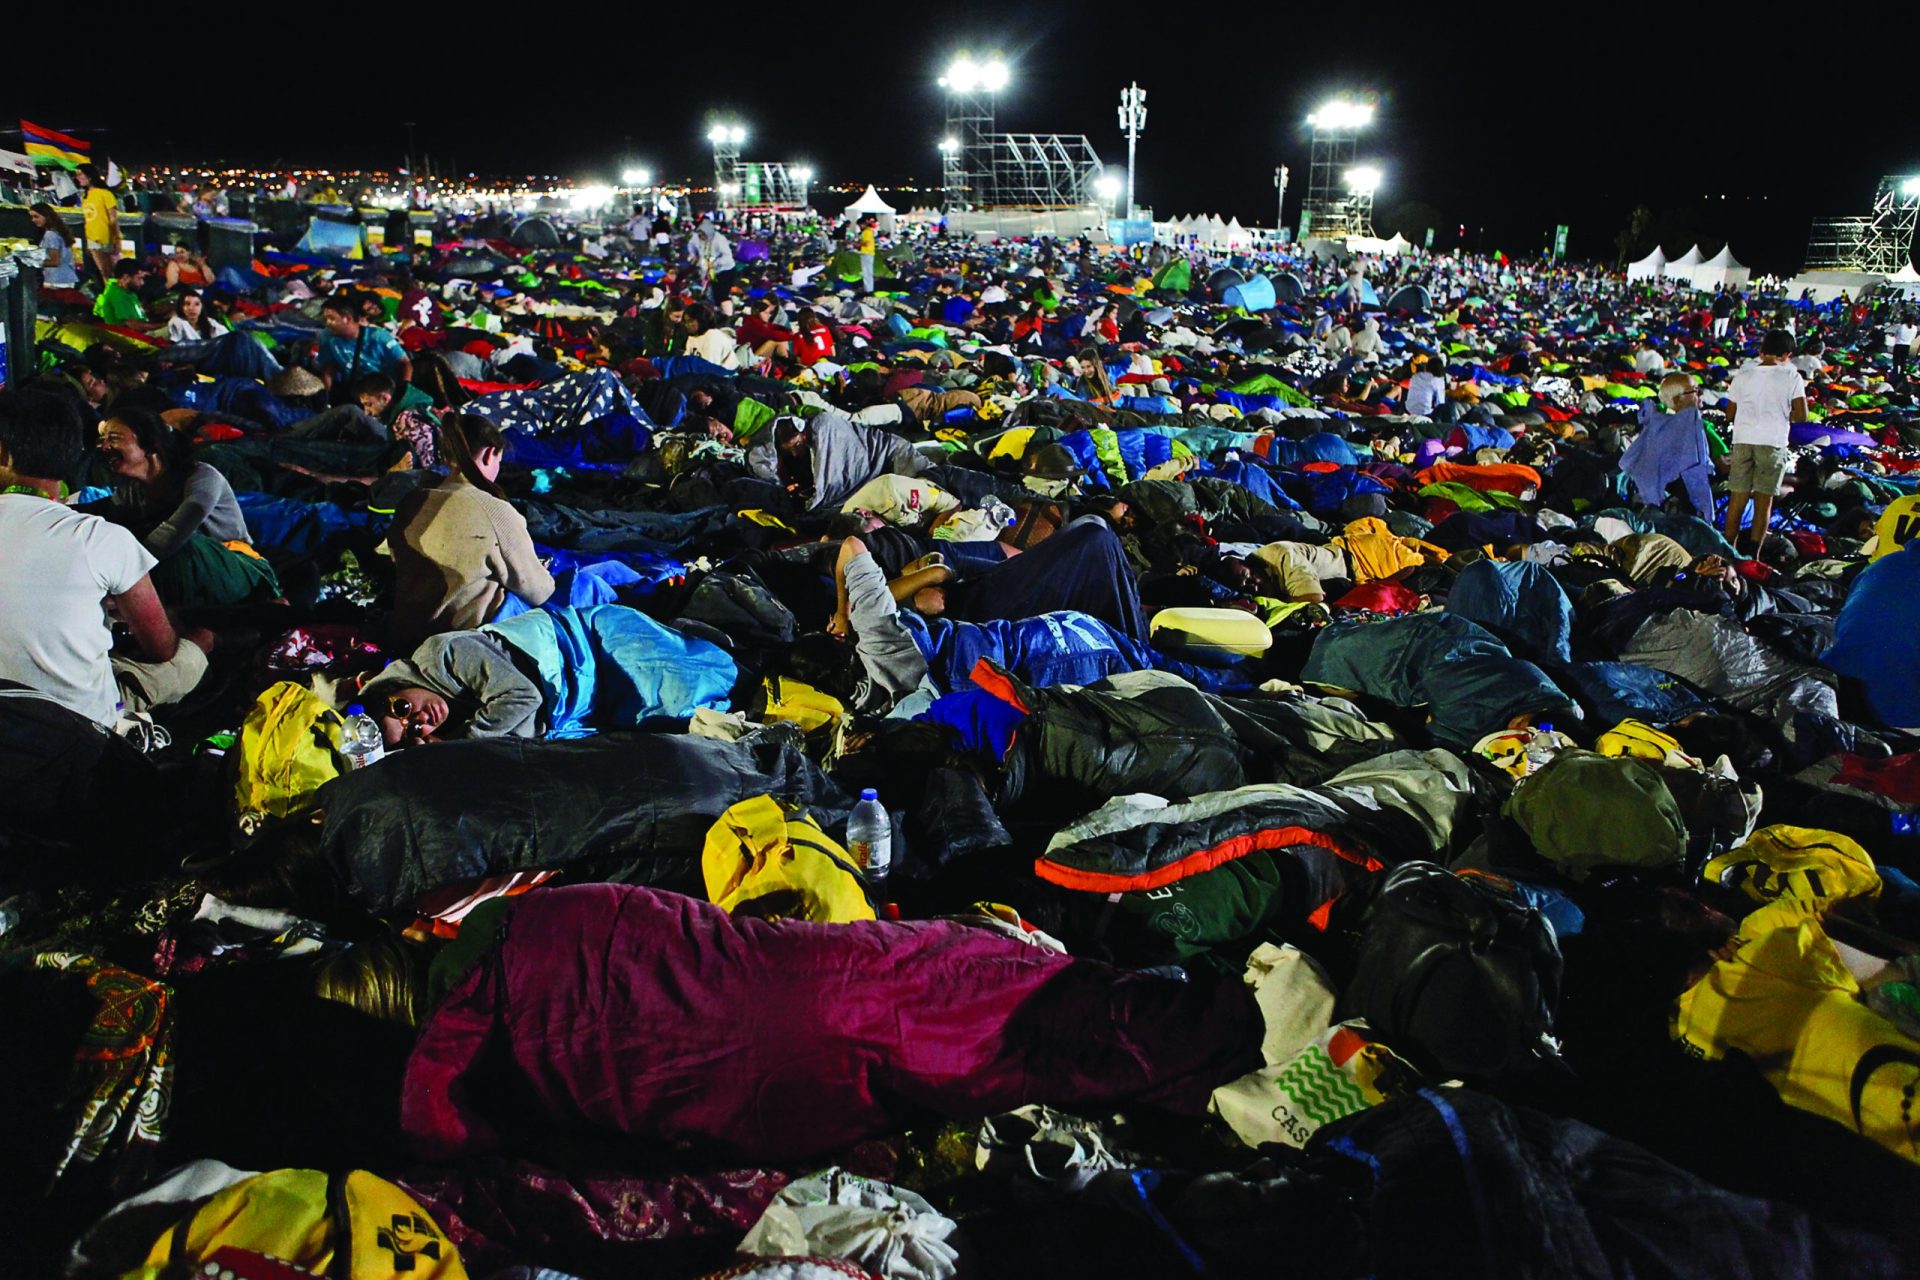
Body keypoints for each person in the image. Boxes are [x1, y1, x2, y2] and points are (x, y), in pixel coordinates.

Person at [0, 388, 209, 727]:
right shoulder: (101, 537)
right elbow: (161, 648)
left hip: (14, 723)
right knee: (194, 649)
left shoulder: (185, 484)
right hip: (81, 729)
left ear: (3, 453)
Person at [386, 413, 554, 651]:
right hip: (462, 643)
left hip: (408, 636)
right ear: (488, 454)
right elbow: (540, 592)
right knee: (598, 581)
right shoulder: (494, 511)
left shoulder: (411, 501)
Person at [96, 406, 275, 606]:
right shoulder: (132, 491)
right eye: (102, 440)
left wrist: (122, 581)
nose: (104, 447)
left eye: (114, 438)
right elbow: (103, 516)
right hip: (186, 578)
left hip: (242, 572)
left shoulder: (202, 477)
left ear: (151, 444)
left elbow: (173, 534)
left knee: (182, 547)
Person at [1723, 328, 1807, 555]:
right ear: (1787, 354)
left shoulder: (1742, 376)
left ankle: (1727, 550)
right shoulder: (1792, 377)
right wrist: (1781, 413)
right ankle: (1754, 556)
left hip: (1742, 441)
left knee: (1737, 500)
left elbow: (1729, 414)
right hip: (1773, 443)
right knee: (1763, 503)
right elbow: (1802, 416)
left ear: (1761, 352)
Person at [1620, 372, 1715, 519]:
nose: (1701, 393)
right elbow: (1696, 480)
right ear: (1678, 400)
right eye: (1696, 390)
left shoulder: (1658, 424)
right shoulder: (1689, 426)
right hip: (1681, 511)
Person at [315, 293, 411, 393]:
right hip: (356, 393)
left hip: (383, 394)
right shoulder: (330, 340)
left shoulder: (378, 337)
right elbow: (328, 371)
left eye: (331, 318)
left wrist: (402, 390)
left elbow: (405, 363)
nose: (327, 323)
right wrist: (325, 398)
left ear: (347, 318)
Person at [74, 163, 121, 283]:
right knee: (103, 272)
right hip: (92, 239)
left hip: (106, 238)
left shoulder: (105, 194)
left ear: (89, 176)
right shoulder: (86, 196)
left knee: (110, 272)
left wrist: (117, 239)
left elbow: (113, 219)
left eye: (80, 174)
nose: (78, 177)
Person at [30, 203, 79, 289]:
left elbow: (55, 261)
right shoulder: (57, 232)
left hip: (56, 281)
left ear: (46, 216)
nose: (33, 220)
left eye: (36, 216)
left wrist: (33, 263)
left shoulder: (50, 235)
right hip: (65, 279)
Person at [92, 259, 150, 325]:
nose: (142, 283)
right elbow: (134, 325)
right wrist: (160, 325)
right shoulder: (117, 295)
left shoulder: (128, 291)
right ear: (126, 277)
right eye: (139, 278)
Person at [858, 213, 878, 294]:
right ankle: (869, 288)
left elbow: (865, 243)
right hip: (869, 253)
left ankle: (868, 290)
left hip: (866, 253)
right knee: (868, 272)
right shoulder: (870, 231)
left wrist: (856, 244)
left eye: (860, 225)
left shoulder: (867, 232)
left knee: (866, 272)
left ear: (863, 224)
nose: (860, 227)